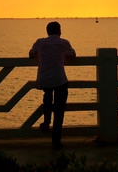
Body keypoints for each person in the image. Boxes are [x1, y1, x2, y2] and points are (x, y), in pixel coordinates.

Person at [29, 21, 76, 149]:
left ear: (47, 31)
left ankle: (46, 122)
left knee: (48, 95)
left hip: (44, 79)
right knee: (59, 110)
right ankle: (56, 140)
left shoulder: (40, 42)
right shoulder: (63, 43)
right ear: (59, 31)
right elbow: (73, 55)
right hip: (60, 79)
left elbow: (31, 53)